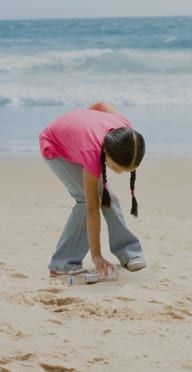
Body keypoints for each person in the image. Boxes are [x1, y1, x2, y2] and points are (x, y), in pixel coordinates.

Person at [39, 101, 147, 277]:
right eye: (117, 168)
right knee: (84, 200)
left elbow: (100, 104)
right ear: (107, 153)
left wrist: (85, 121)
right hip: (55, 146)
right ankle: (63, 263)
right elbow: (92, 209)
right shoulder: (92, 154)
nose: (119, 173)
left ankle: (129, 252)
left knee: (109, 198)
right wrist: (96, 255)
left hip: (80, 143)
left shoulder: (125, 134)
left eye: (126, 170)